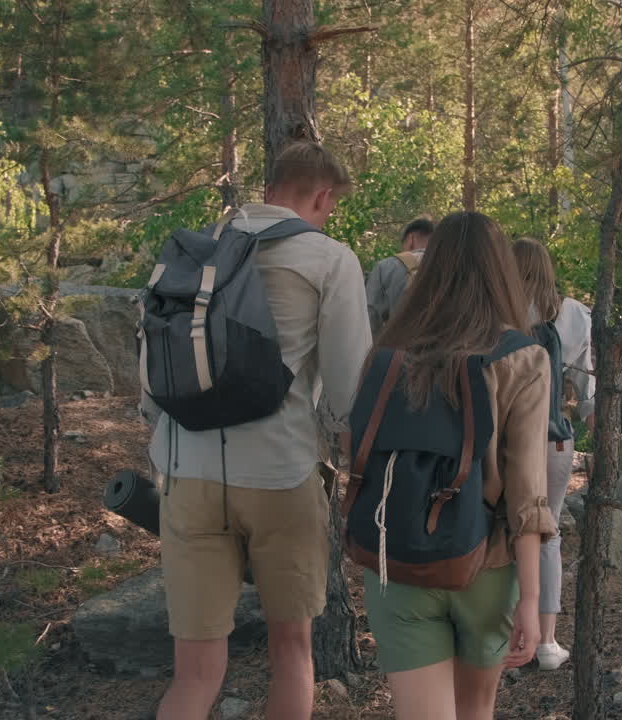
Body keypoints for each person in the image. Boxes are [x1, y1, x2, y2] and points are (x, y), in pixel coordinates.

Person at [152, 142, 372, 720]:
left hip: (186, 472)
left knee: (195, 674)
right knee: (292, 651)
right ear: (322, 197)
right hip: (280, 472)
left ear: (270, 188)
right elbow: (352, 391)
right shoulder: (329, 258)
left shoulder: (190, 251)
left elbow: (152, 382)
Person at [362, 211, 556, 720]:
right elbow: (527, 494)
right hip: (484, 565)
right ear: (501, 272)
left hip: (397, 561)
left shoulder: (387, 355)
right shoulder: (523, 357)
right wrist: (532, 600)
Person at [510, 237, 596, 671]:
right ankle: (546, 642)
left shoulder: (496, 312)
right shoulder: (575, 314)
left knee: (503, 530)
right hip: (554, 437)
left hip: (505, 439)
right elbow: (588, 387)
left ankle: (506, 631)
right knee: (548, 535)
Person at [365, 217, 435, 335]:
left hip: (398, 347)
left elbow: (370, 316)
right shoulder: (451, 266)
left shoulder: (386, 266)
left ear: (410, 239)